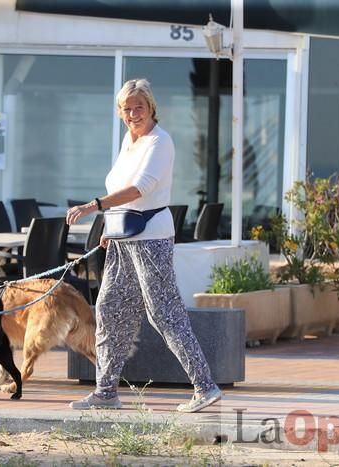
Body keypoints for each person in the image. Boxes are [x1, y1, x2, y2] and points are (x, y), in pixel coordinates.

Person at [65, 78, 222, 413]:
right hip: (123, 238)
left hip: (152, 238)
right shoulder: (129, 140)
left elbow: (141, 189)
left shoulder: (159, 142)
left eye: (139, 107)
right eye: (127, 108)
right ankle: (106, 391)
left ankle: (205, 386)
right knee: (109, 309)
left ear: (152, 108)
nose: (133, 113)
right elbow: (122, 188)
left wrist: (93, 206)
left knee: (164, 313)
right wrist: (111, 227)